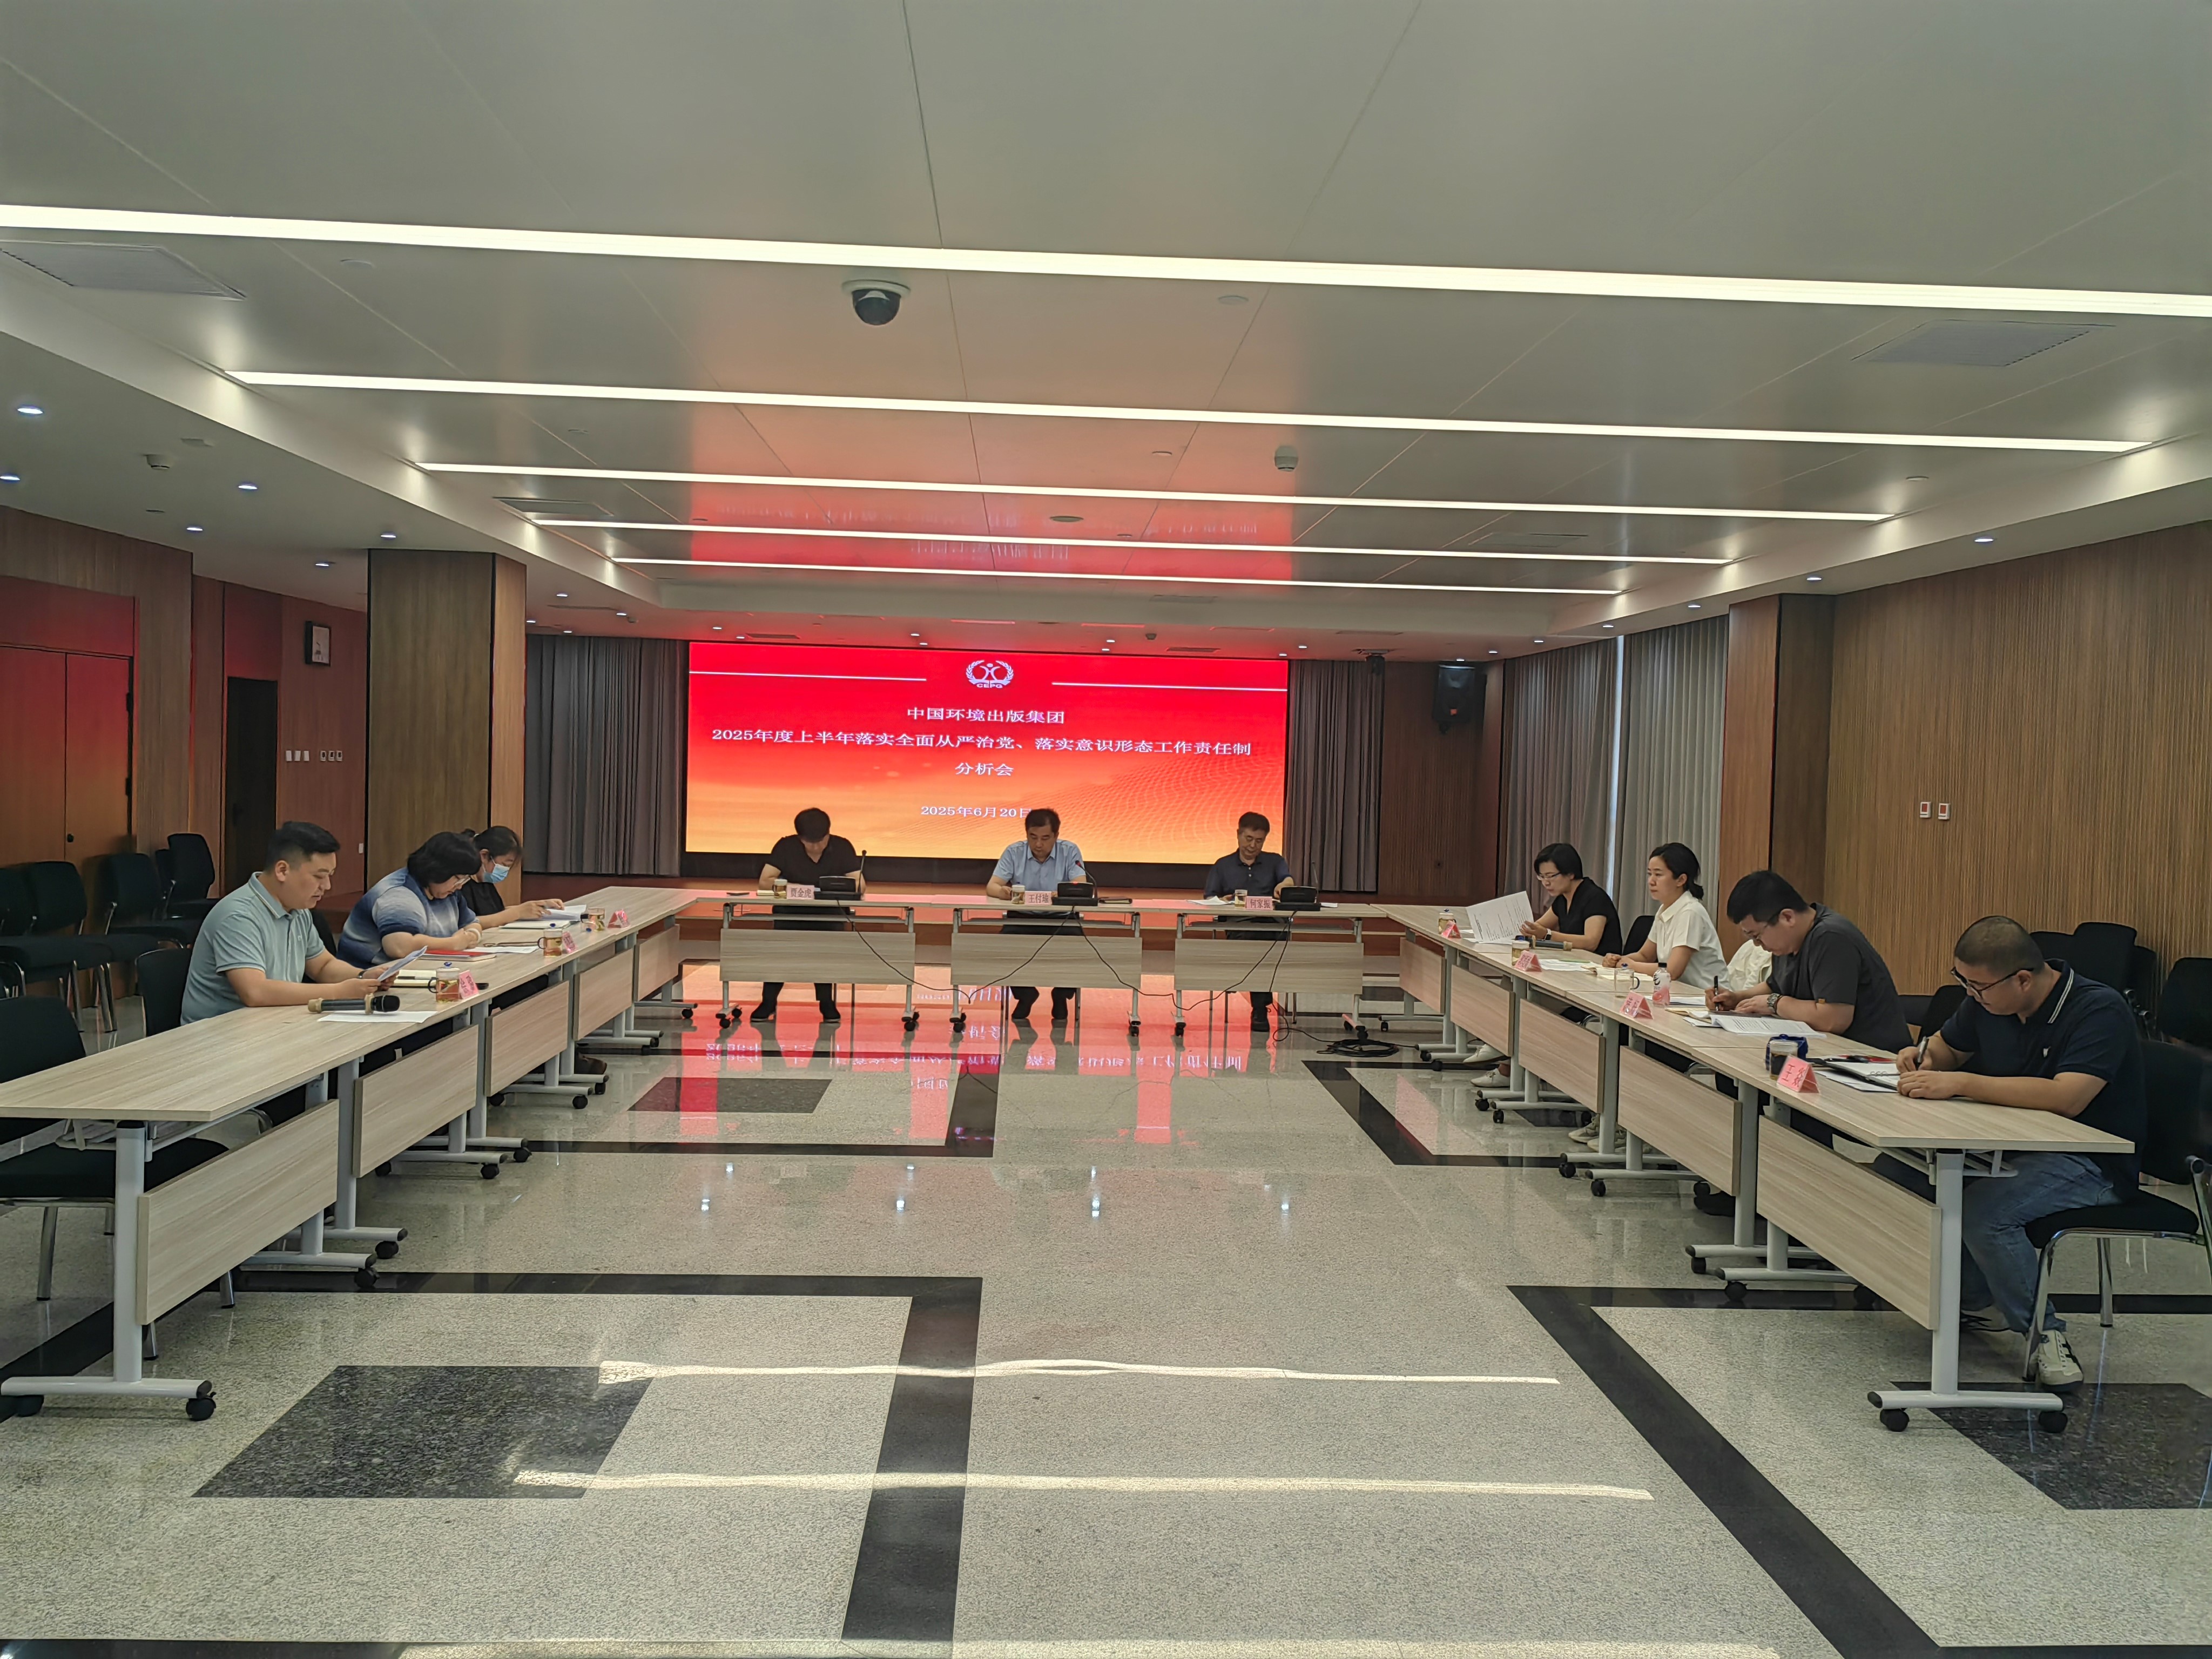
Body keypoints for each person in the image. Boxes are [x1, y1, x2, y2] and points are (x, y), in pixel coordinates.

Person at [1880, 918, 2144, 1390]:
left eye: (1978, 987)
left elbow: (2068, 1097)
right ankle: (1972, 1300)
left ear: (2022, 979)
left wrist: (1960, 1083)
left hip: (2092, 1160)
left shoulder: (2098, 1009)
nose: (1971, 995)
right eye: (1964, 982)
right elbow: (1947, 1049)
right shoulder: (1988, 1001)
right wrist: (1924, 1058)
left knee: (1985, 1214)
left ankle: (2045, 1335)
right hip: (2012, 1145)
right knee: (1901, 1173)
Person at [182, 821, 395, 1021]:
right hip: (220, 1035)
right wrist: (339, 992)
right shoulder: (239, 916)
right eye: (319, 876)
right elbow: (255, 992)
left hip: (271, 1022)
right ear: (282, 871)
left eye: (330, 875)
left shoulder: (298, 908)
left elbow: (323, 966)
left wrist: (363, 976)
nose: (327, 886)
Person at [1711, 871, 1910, 1048]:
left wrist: (1775, 1003)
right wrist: (1737, 999)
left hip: (1872, 1058)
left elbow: (1832, 1020)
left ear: (1787, 917)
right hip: (1829, 1051)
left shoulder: (1831, 938)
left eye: (1757, 936)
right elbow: (1776, 986)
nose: (1757, 945)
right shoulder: (1790, 941)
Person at [754, 807, 865, 1023]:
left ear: (828, 834)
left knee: (824, 956)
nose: (815, 847)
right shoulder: (786, 846)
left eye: (820, 841)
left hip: (829, 915)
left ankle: (826, 1003)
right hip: (790, 914)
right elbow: (765, 882)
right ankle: (768, 1002)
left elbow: (860, 884)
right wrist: (803, 890)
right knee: (780, 958)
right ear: (800, 837)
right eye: (808, 842)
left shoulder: (842, 846)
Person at [986, 807, 1087, 1023]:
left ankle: (1061, 995)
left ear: (1056, 836)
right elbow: (992, 886)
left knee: (1079, 948)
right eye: (1033, 837)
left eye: (1045, 838)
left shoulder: (1070, 851)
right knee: (1002, 947)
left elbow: (1081, 885)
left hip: (1061, 918)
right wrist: (1003, 893)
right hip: (1023, 917)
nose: (1038, 844)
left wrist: (1065, 893)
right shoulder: (1014, 852)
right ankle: (1026, 994)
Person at [335, 830, 488, 967]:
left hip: (424, 970)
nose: (459, 886)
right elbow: (399, 947)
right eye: (458, 879)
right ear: (438, 870)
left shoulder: (446, 891)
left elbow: (472, 923)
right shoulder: (399, 894)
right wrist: (453, 944)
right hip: (372, 977)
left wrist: (472, 935)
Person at [1202, 811, 1294, 1033]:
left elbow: (1287, 879)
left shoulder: (1275, 861)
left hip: (1272, 924)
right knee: (1256, 940)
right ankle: (1260, 1008)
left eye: (1259, 841)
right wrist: (1223, 901)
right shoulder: (1223, 865)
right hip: (1240, 926)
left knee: (1265, 938)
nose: (1253, 846)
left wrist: (1285, 886)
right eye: (1249, 839)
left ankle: (1260, 1006)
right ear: (1238, 835)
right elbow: (1209, 898)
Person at [1603, 842, 1727, 988]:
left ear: (1681, 880)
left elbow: (1672, 971)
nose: (1651, 881)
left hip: (1704, 995)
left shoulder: (1690, 912)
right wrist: (1618, 960)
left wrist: (1631, 966)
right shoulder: (1664, 909)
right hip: (1678, 992)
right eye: (1650, 874)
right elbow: (1645, 956)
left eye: (1658, 875)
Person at [1519, 842, 1623, 955]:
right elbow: (1539, 926)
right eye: (1542, 877)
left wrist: (1547, 935)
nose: (1546, 883)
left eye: (1550, 876)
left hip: (1599, 963)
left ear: (1570, 874)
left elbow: (1591, 943)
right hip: (1574, 960)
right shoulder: (1563, 899)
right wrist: (1527, 930)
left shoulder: (1595, 898)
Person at [457, 827, 558, 928]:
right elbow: (468, 923)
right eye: (504, 865)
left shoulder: (485, 883)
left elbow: (496, 913)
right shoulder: (459, 885)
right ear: (484, 855)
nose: (505, 870)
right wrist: (517, 912)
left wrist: (537, 907)